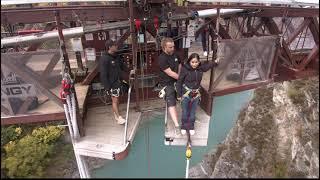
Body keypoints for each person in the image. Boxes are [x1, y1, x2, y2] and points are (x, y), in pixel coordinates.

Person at [176, 53, 218, 135]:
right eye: (192, 62)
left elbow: (207, 66)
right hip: (186, 94)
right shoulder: (185, 69)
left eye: (196, 62)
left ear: (199, 62)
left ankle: (191, 126)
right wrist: (178, 95)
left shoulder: (200, 68)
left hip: (196, 94)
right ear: (189, 62)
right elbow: (179, 82)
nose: (194, 64)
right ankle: (184, 126)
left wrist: (215, 62)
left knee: (192, 112)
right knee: (185, 112)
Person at [99, 39, 131, 125]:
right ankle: (119, 117)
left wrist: (130, 71)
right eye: (115, 45)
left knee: (117, 99)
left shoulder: (116, 56)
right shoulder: (104, 59)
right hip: (111, 84)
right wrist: (107, 87)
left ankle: (116, 115)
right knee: (115, 100)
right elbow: (103, 74)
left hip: (118, 82)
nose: (116, 47)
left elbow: (123, 66)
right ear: (110, 47)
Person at [158, 37, 182, 136]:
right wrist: (182, 79)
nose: (172, 48)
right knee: (171, 102)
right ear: (164, 47)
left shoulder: (175, 54)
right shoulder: (162, 58)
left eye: (173, 46)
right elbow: (170, 73)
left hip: (177, 80)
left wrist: (181, 77)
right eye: (170, 47)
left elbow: (180, 64)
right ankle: (177, 126)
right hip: (167, 83)